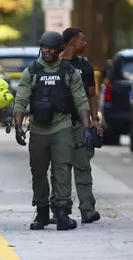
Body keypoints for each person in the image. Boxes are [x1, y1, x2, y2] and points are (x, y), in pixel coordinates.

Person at [12, 31, 91, 231]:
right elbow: (21, 99)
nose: (46, 51)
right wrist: (18, 126)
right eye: (44, 48)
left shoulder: (69, 71)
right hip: (38, 128)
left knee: (62, 169)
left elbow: (81, 99)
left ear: (59, 50)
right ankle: (41, 212)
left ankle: (62, 211)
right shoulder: (32, 71)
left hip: (62, 125)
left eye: (51, 48)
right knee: (38, 171)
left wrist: (87, 127)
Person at [48, 28, 102, 224]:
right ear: (72, 42)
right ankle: (59, 209)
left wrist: (95, 120)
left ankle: (87, 209)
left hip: (81, 123)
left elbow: (91, 95)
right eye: (82, 40)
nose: (85, 43)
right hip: (57, 123)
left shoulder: (85, 66)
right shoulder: (53, 64)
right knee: (59, 168)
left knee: (82, 166)